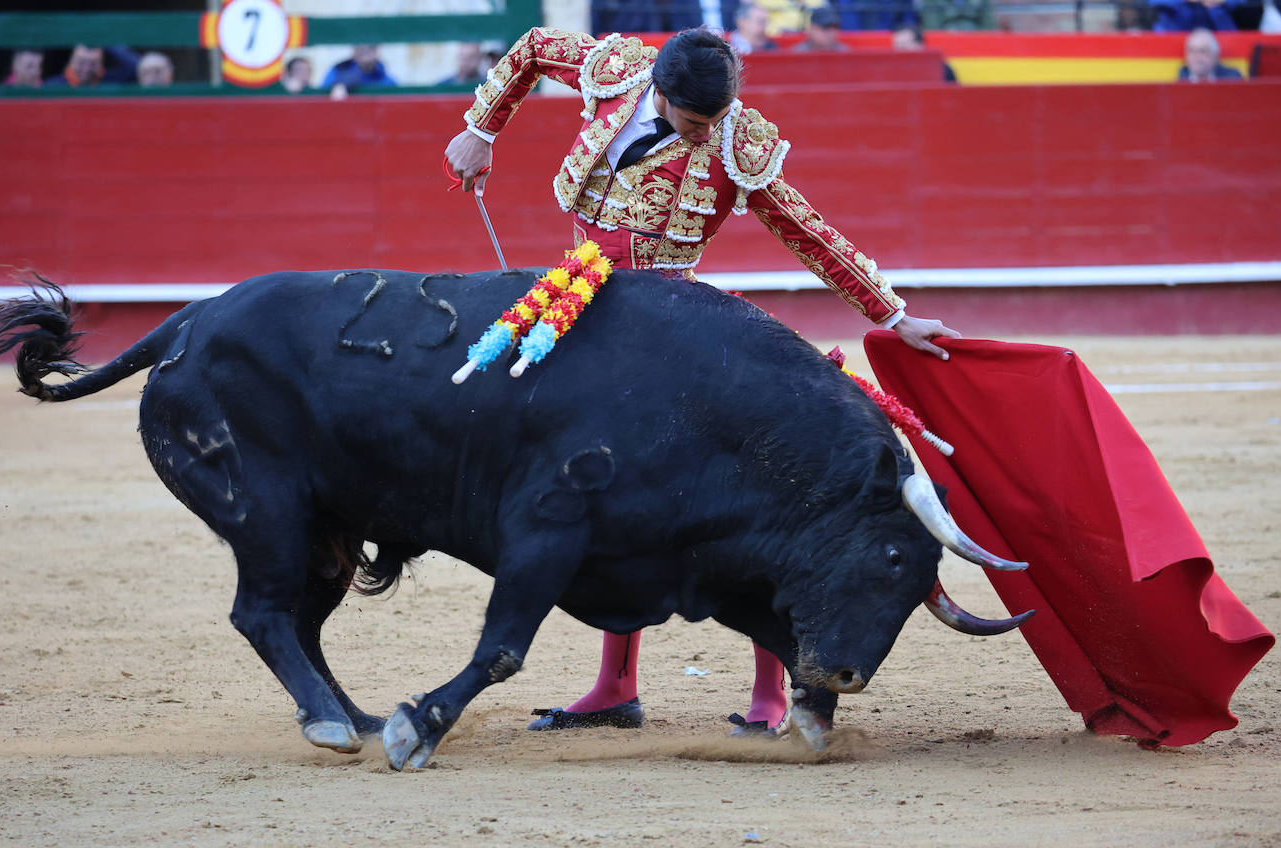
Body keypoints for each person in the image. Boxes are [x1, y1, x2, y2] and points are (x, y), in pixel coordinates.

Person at [444, 27, 960, 737]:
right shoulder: (614, 69)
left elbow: (809, 232)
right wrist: (481, 129)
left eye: (714, 123)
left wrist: (892, 313)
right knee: (610, 496)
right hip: (590, 313)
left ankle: (770, 694)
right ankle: (614, 688)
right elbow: (532, 47)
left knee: (752, 500)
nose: (704, 137)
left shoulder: (737, 143)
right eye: (693, 124)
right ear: (659, 90)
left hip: (676, 334)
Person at [45, 44, 139, 88]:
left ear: (101, 65)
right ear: (71, 62)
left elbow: (137, 65)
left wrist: (106, 42)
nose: (86, 69)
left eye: (92, 64)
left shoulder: (111, 81)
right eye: (81, 63)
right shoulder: (53, 85)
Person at [892, 24, 960, 82]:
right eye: (897, 46)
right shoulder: (891, 71)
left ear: (920, 46)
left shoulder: (941, 69)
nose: (899, 51)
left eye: (904, 45)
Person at [321, 44, 398, 93]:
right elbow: (322, 100)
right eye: (361, 48)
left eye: (371, 47)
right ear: (354, 50)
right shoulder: (337, 72)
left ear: (377, 50)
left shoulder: (387, 81)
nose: (366, 51)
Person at [1178, 27, 1244, 79]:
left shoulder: (1232, 78)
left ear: (1215, 55)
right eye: (1191, 51)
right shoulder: (1182, 78)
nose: (1195, 56)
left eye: (1202, 51)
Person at [1149, 0, 1244, 30]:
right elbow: (1154, 2)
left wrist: (1222, 1)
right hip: (1175, 33)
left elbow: (1242, 2)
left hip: (1221, 34)